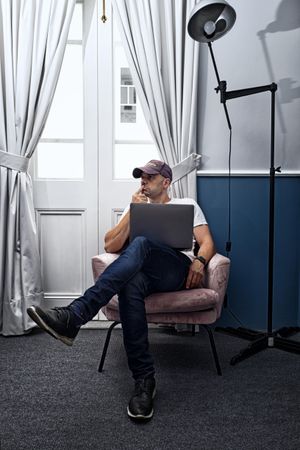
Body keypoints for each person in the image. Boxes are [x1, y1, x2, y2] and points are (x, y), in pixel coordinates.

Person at [27, 159, 215, 421]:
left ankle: (75, 315)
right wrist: (133, 212)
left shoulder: (187, 205)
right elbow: (110, 245)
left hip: (174, 269)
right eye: (141, 177)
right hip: (144, 276)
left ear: (166, 182)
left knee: (142, 243)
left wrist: (200, 261)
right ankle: (144, 382)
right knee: (130, 283)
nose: (143, 181)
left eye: (149, 177)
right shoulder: (135, 207)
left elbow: (207, 243)